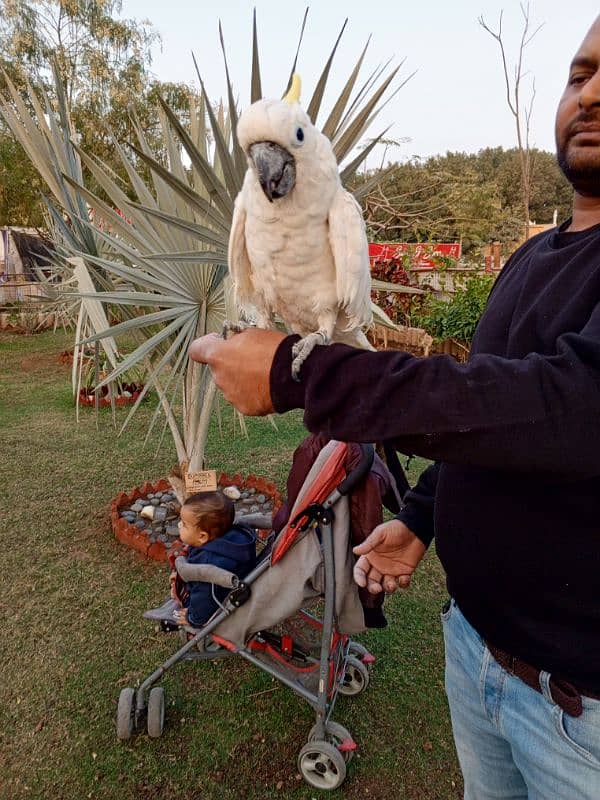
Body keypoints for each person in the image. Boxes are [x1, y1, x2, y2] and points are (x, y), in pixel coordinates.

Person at [189, 16, 600, 799]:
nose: (593, 94)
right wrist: (421, 520)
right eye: (580, 74)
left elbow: (571, 409)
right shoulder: (531, 259)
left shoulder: (341, 216)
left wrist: (304, 376)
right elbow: (491, 409)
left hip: (580, 718)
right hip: (475, 650)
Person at [174, 491, 256, 627]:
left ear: (202, 537)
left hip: (220, 599)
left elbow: (205, 598)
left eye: (184, 524)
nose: (179, 525)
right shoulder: (237, 539)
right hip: (238, 584)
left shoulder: (207, 565)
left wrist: (193, 617)